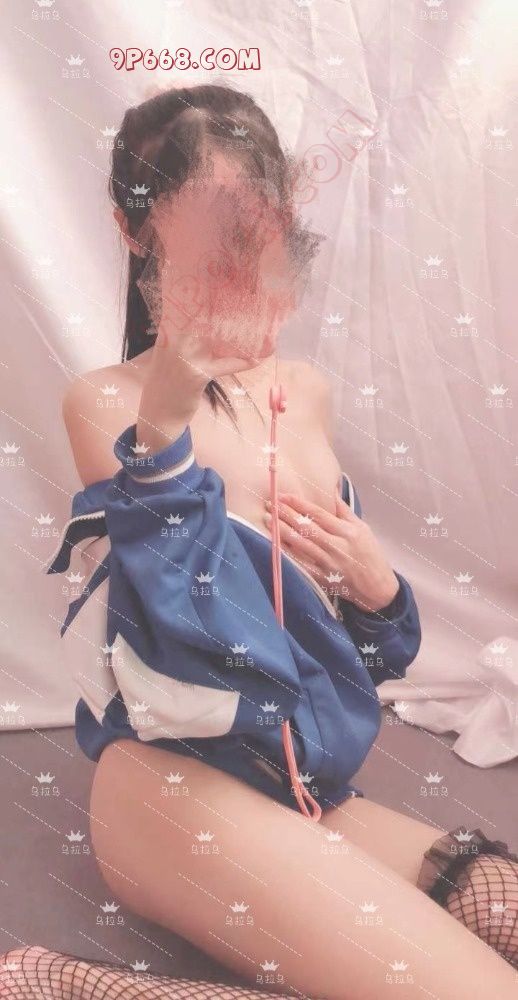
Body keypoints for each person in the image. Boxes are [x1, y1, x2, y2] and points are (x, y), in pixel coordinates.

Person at [3, 84, 517, 1000]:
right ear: (135, 232)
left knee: (502, 907)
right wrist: (163, 432)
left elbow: (337, 665)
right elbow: (183, 644)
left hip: (302, 790)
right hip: (172, 783)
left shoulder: (304, 394)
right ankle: (78, 986)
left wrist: (379, 595)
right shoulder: (109, 405)